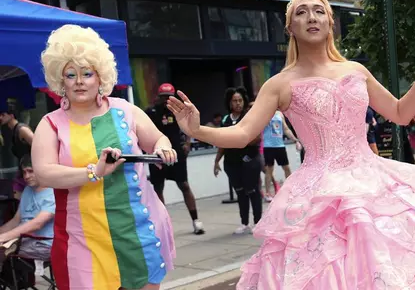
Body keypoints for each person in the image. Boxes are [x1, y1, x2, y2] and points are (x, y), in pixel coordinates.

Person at [167, 0, 415, 289]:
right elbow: (242, 134)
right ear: (290, 28)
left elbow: (401, 113)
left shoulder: (356, 70)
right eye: (301, 12)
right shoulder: (279, 84)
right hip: (320, 191)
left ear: (330, 23)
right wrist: (197, 130)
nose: (311, 17)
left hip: (374, 182)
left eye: (318, 11)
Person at [31, 24, 177, 290]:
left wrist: (163, 148)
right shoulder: (50, 123)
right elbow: (43, 173)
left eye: (87, 73)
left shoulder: (125, 110)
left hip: (136, 232)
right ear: (60, 80)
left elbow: (157, 139)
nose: (79, 81)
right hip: (82, 240)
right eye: (70, 74)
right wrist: (94, 172)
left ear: (100, 76)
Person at [146, 83, 204, 235]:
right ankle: (164, 224)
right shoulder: (151, 112)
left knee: (184, 185)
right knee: (158, 188)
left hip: (176, 154)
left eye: (169, 97)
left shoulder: (178, 110)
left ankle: (196, 221)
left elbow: (190, 126)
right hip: (156, 155)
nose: (166, 100)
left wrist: (187, 143)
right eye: (163, 97)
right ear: (158, 97)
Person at [215, 88, 263, 235]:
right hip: (232, 163)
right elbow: (222, 142)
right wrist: (217, 161)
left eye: (240, 100)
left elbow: (257, 138)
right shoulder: (226, 120)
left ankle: (258, 222)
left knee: (253, 191)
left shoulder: (249, 117)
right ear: (229, 103)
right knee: (240, 193)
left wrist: (237, 139)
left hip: (249, 161)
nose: (238, 103)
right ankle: (244, 223)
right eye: (235, 101)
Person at [0, 154, 54, 263]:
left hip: (43, 244)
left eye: (30, 171)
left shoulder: (53, 192)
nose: (26, 176)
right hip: (23, 240)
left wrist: (3, 237)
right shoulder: (27, 190)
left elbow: (37, 223)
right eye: (24, 172)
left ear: (41, 170)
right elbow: (16, 221)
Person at [262, 110, 301, 202]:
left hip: (280, 145)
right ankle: (267, 193)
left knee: (286, 168)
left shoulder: (279, 114)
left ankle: (290, 190)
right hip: (268, 146)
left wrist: (295, 140)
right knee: (269, 170)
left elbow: (286, 129)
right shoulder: (264, 111)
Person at [0, 103, 32, 199]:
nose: (0, 117)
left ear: (11, 115)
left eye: (3, 115)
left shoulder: (21, 129)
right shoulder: (14, 131)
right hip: (24, 169)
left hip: (31, 169)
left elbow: (39, 146)